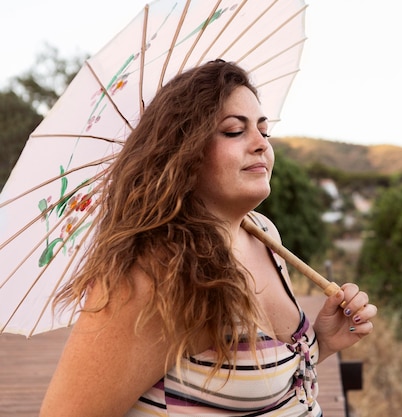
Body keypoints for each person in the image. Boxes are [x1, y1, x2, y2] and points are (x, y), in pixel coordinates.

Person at [40, 60, 377, 417]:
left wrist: (320, 342)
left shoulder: (262, 233)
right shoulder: (155, 276)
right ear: (184, 152)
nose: (261, 144)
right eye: (234, 130)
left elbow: (253, 387)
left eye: (264, 131)